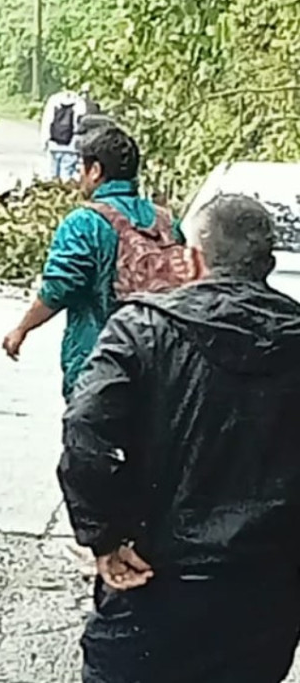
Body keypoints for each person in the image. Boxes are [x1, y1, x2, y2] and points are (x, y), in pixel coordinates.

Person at [58, 194, 300, 683]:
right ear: (267, 264)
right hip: (266, 589)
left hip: (156, 572)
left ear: (192, 259)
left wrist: (104, 535)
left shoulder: (141, 328)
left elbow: (85, 430)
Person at [2, 126, 184, 402]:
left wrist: (22, 329)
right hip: (164, 362)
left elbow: (58, 289)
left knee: (90, 429)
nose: (79, 176)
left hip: (101, 361)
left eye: (81, 168)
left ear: (96, 170)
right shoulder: (167, 223)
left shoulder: (84, 223)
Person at [40, 87, 87, 180]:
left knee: (52, 175)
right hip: (71, 147)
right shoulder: (79, 102)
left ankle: (52, 187)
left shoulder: (54, 100)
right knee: (66, 175)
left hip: (53, 145)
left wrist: (44, 142)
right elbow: (81, 125)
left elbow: (47, 121)